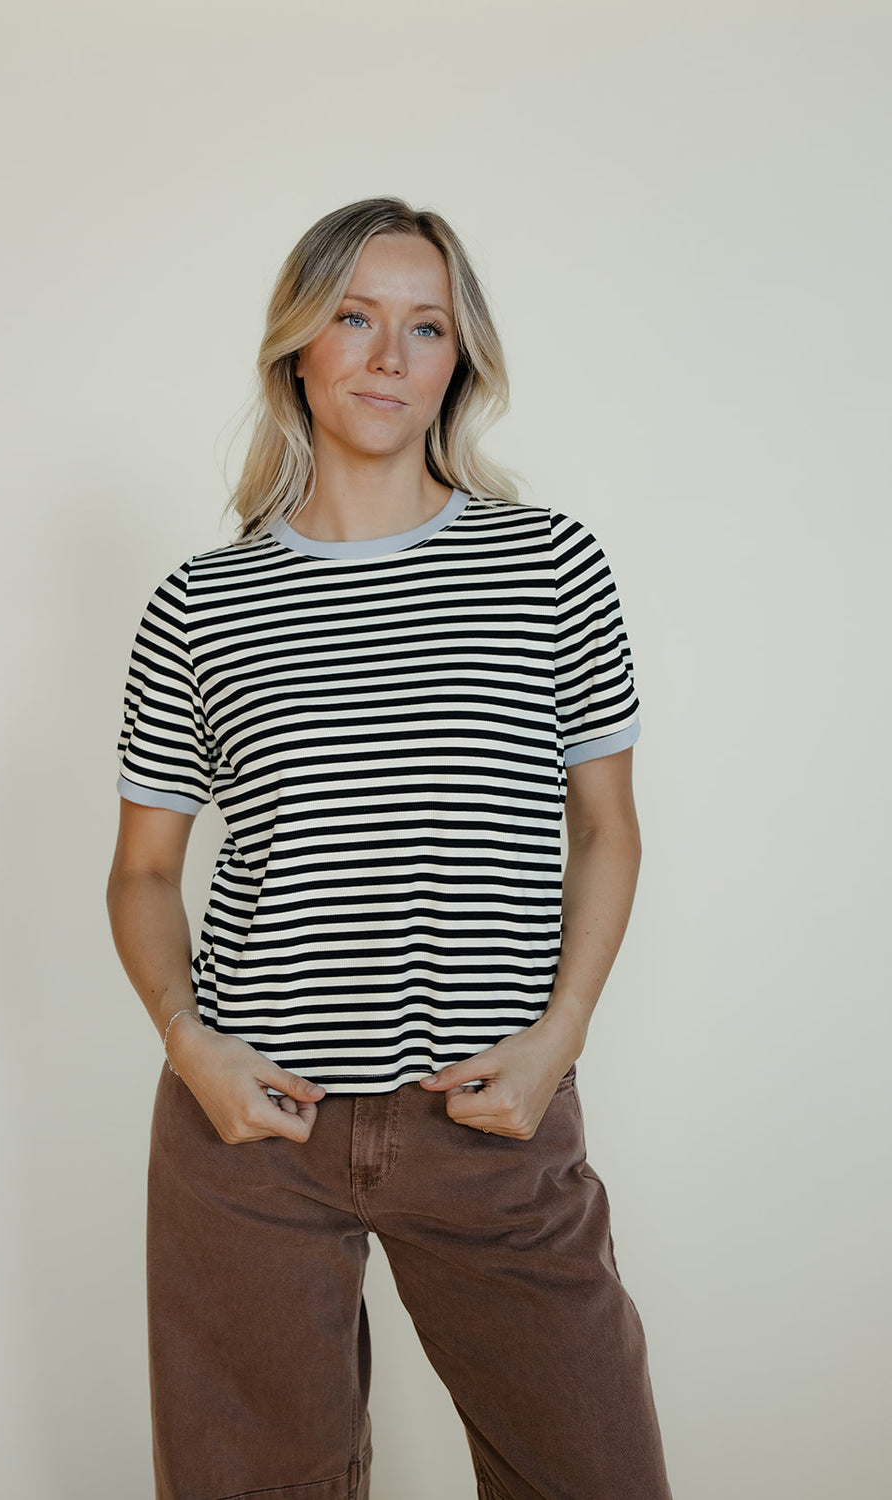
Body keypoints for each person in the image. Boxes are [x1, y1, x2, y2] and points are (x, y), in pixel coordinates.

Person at [107, 196, 673, 1500]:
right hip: (252, 1132)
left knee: (594, 1466)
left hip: (492, 1113)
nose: (386, 355)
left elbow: (608, 827)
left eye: (425, 327)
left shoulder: (547, 565)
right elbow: (140, 873)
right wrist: (190, 1045)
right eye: (353, 317)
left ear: (458, 361)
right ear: (297, 346)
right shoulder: (201, 605)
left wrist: (560, 1037)